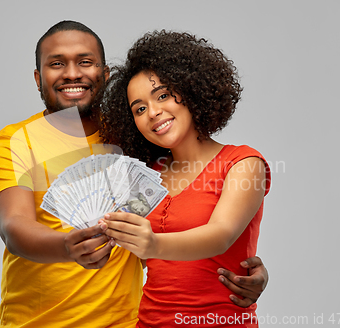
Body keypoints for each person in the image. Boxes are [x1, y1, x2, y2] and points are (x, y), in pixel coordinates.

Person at [0, 21, 268, 328]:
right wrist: (66, 247)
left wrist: (245, 266)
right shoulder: (13, 143)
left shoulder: (130, 146)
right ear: (38, 78)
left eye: (85, 62)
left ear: (105, 76)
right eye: (57, 64)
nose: (72, 73)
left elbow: (197, 228)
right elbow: (15, 227)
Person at [99, 30, 271, 327]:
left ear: (190, 90)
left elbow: (221, 235)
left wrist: (153, 243)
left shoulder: (243, 163)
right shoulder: (145, 176)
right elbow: (142, 261)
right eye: (139, 109)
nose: (153, 112)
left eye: (162, 95)